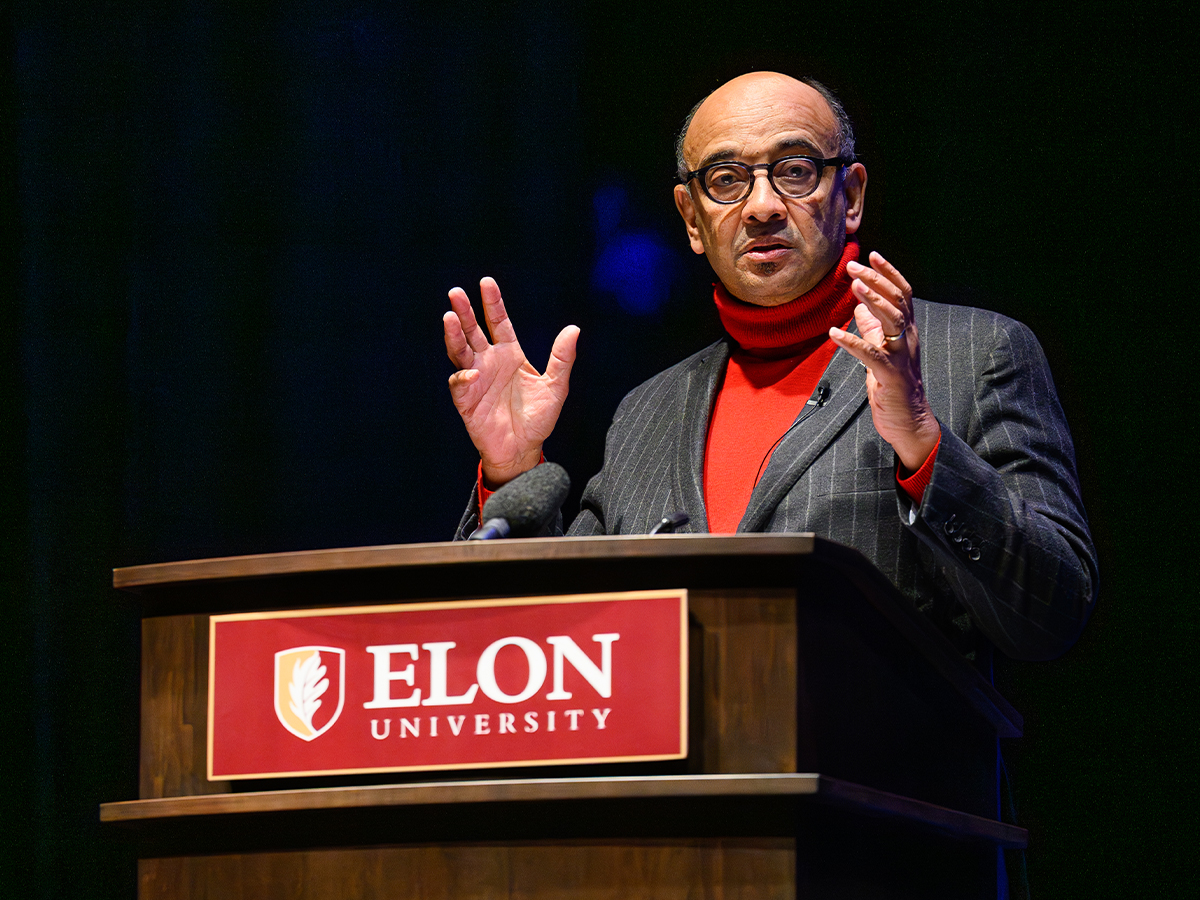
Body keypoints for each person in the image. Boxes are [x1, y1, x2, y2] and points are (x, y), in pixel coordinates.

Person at [442, 72, 1096, 663]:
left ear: (853, 193)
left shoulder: (975, 355)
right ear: (692, 219)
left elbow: (1051, 616)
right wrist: (512, 470)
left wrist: (922, 440)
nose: (760, 206)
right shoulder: (648, 410)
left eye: (794, 170)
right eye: (725, 180)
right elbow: (550, 647)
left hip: (876, 788)